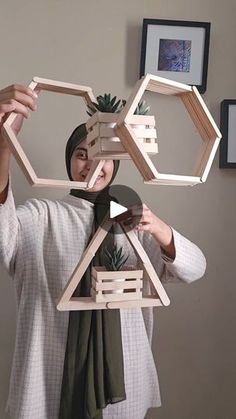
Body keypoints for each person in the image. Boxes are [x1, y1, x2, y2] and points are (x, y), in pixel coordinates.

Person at [0, 84, 206, 419]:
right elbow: (2, 234)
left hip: (123, 385)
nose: (92, 165)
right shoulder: (41, 217)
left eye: (103, 157)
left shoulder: (131, 222)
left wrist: (158, 227)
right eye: (82, 154)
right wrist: (2, 145)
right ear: (70, 160)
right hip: (51, 378)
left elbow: (195, 268)